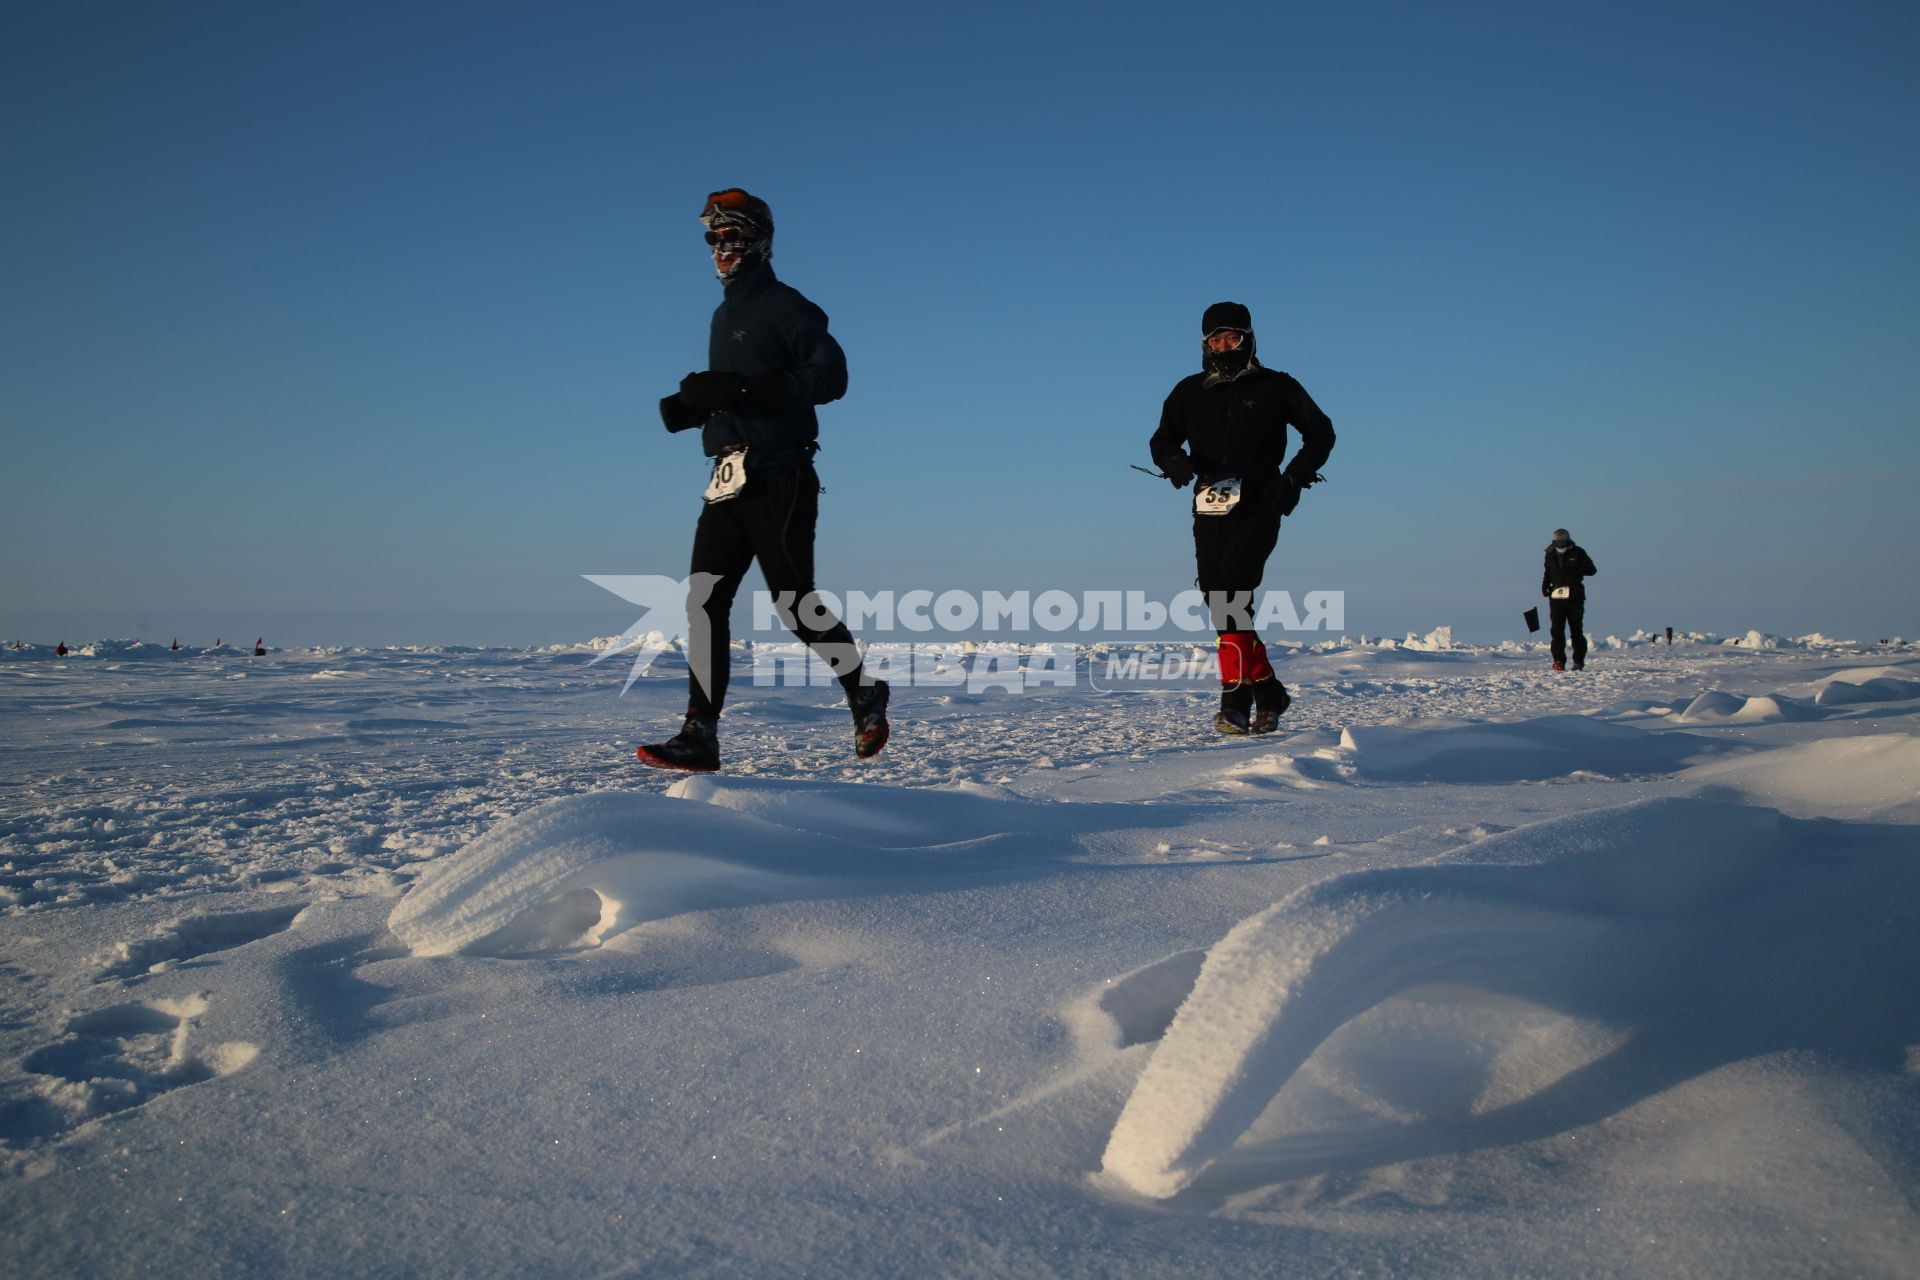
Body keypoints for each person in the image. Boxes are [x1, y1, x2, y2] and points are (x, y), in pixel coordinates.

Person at [641, 187, 889, 773]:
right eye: (713, 237)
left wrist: (745, 390)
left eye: (733, 236)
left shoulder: (787, 306)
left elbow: (832, 377)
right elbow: (738, 392)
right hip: (726, 477)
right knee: (703, 602)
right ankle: (699, 734)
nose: (722, 248)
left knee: (793, 603)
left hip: (781, 473)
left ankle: (863, 692)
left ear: (760, 240)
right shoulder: (724, 314)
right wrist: (692, 406)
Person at [1149, 301, 1335, 734]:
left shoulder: (1277, 386)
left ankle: (1234, 698)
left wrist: (1293, 479)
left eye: (1232, 337)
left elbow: (1321, 431)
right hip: (1209, 503)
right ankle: (1269, 691)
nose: (1223, 345)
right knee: (1220, 598)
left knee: (1233, 586)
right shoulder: (1188, 391)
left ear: (1248, 339)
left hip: (1260, 502)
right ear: (1205, 345)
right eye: (1215, 339)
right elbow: (1160, 440)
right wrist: (1175, 462)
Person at [1541, 528, 1598, 670]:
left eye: (1563, 542)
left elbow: (1592, 570)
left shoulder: (1578, 552)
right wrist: (1545, 586)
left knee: (1576, 629)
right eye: (1557, 542)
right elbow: (1548, 571)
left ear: (1568, 540)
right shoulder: (1549, 554)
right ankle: (1558, 661)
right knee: (1557, 630)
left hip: (1574, 596)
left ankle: (1578, 661)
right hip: (1556, 596)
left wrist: (1577, 570)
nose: (1560, 545)